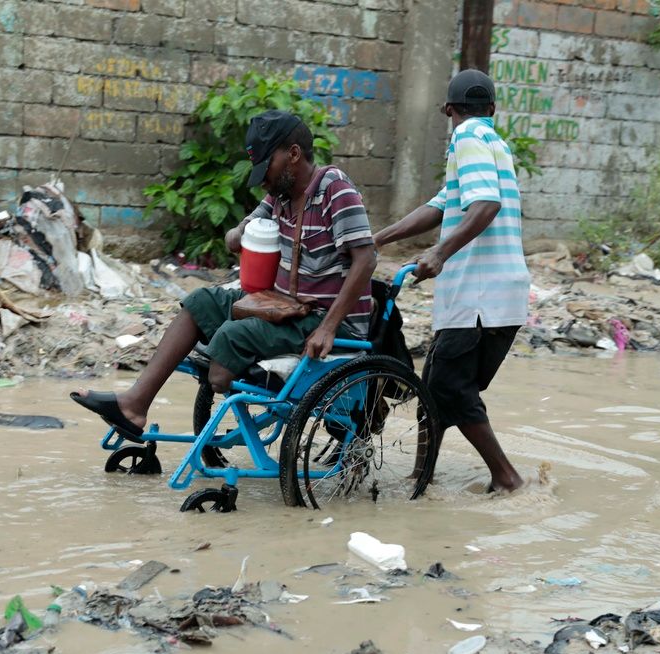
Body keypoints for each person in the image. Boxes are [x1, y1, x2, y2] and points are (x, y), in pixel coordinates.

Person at [72, 110, 377, 441]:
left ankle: (227, 374)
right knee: (201, 302)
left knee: (231, 340)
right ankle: (135, 405)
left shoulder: (335, 188)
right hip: (286, 306)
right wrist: (241, 232)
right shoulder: (279, 196)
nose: (263, 180)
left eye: (267, 168)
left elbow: (366, 259)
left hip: (326, 317)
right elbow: (236, 236)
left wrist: (329, 328)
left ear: (293, 154)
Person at [373, 69, 530, 493]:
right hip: (505, 296)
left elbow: (485, 205)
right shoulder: (495, 144)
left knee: (449, 389)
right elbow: (442, 205)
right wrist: (378, 239)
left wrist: (439, 253)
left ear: (448, 110)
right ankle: (421, 476)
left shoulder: (465, 139)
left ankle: (507, 478)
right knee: (437, 392)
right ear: (492, 110)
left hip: (477, 298)